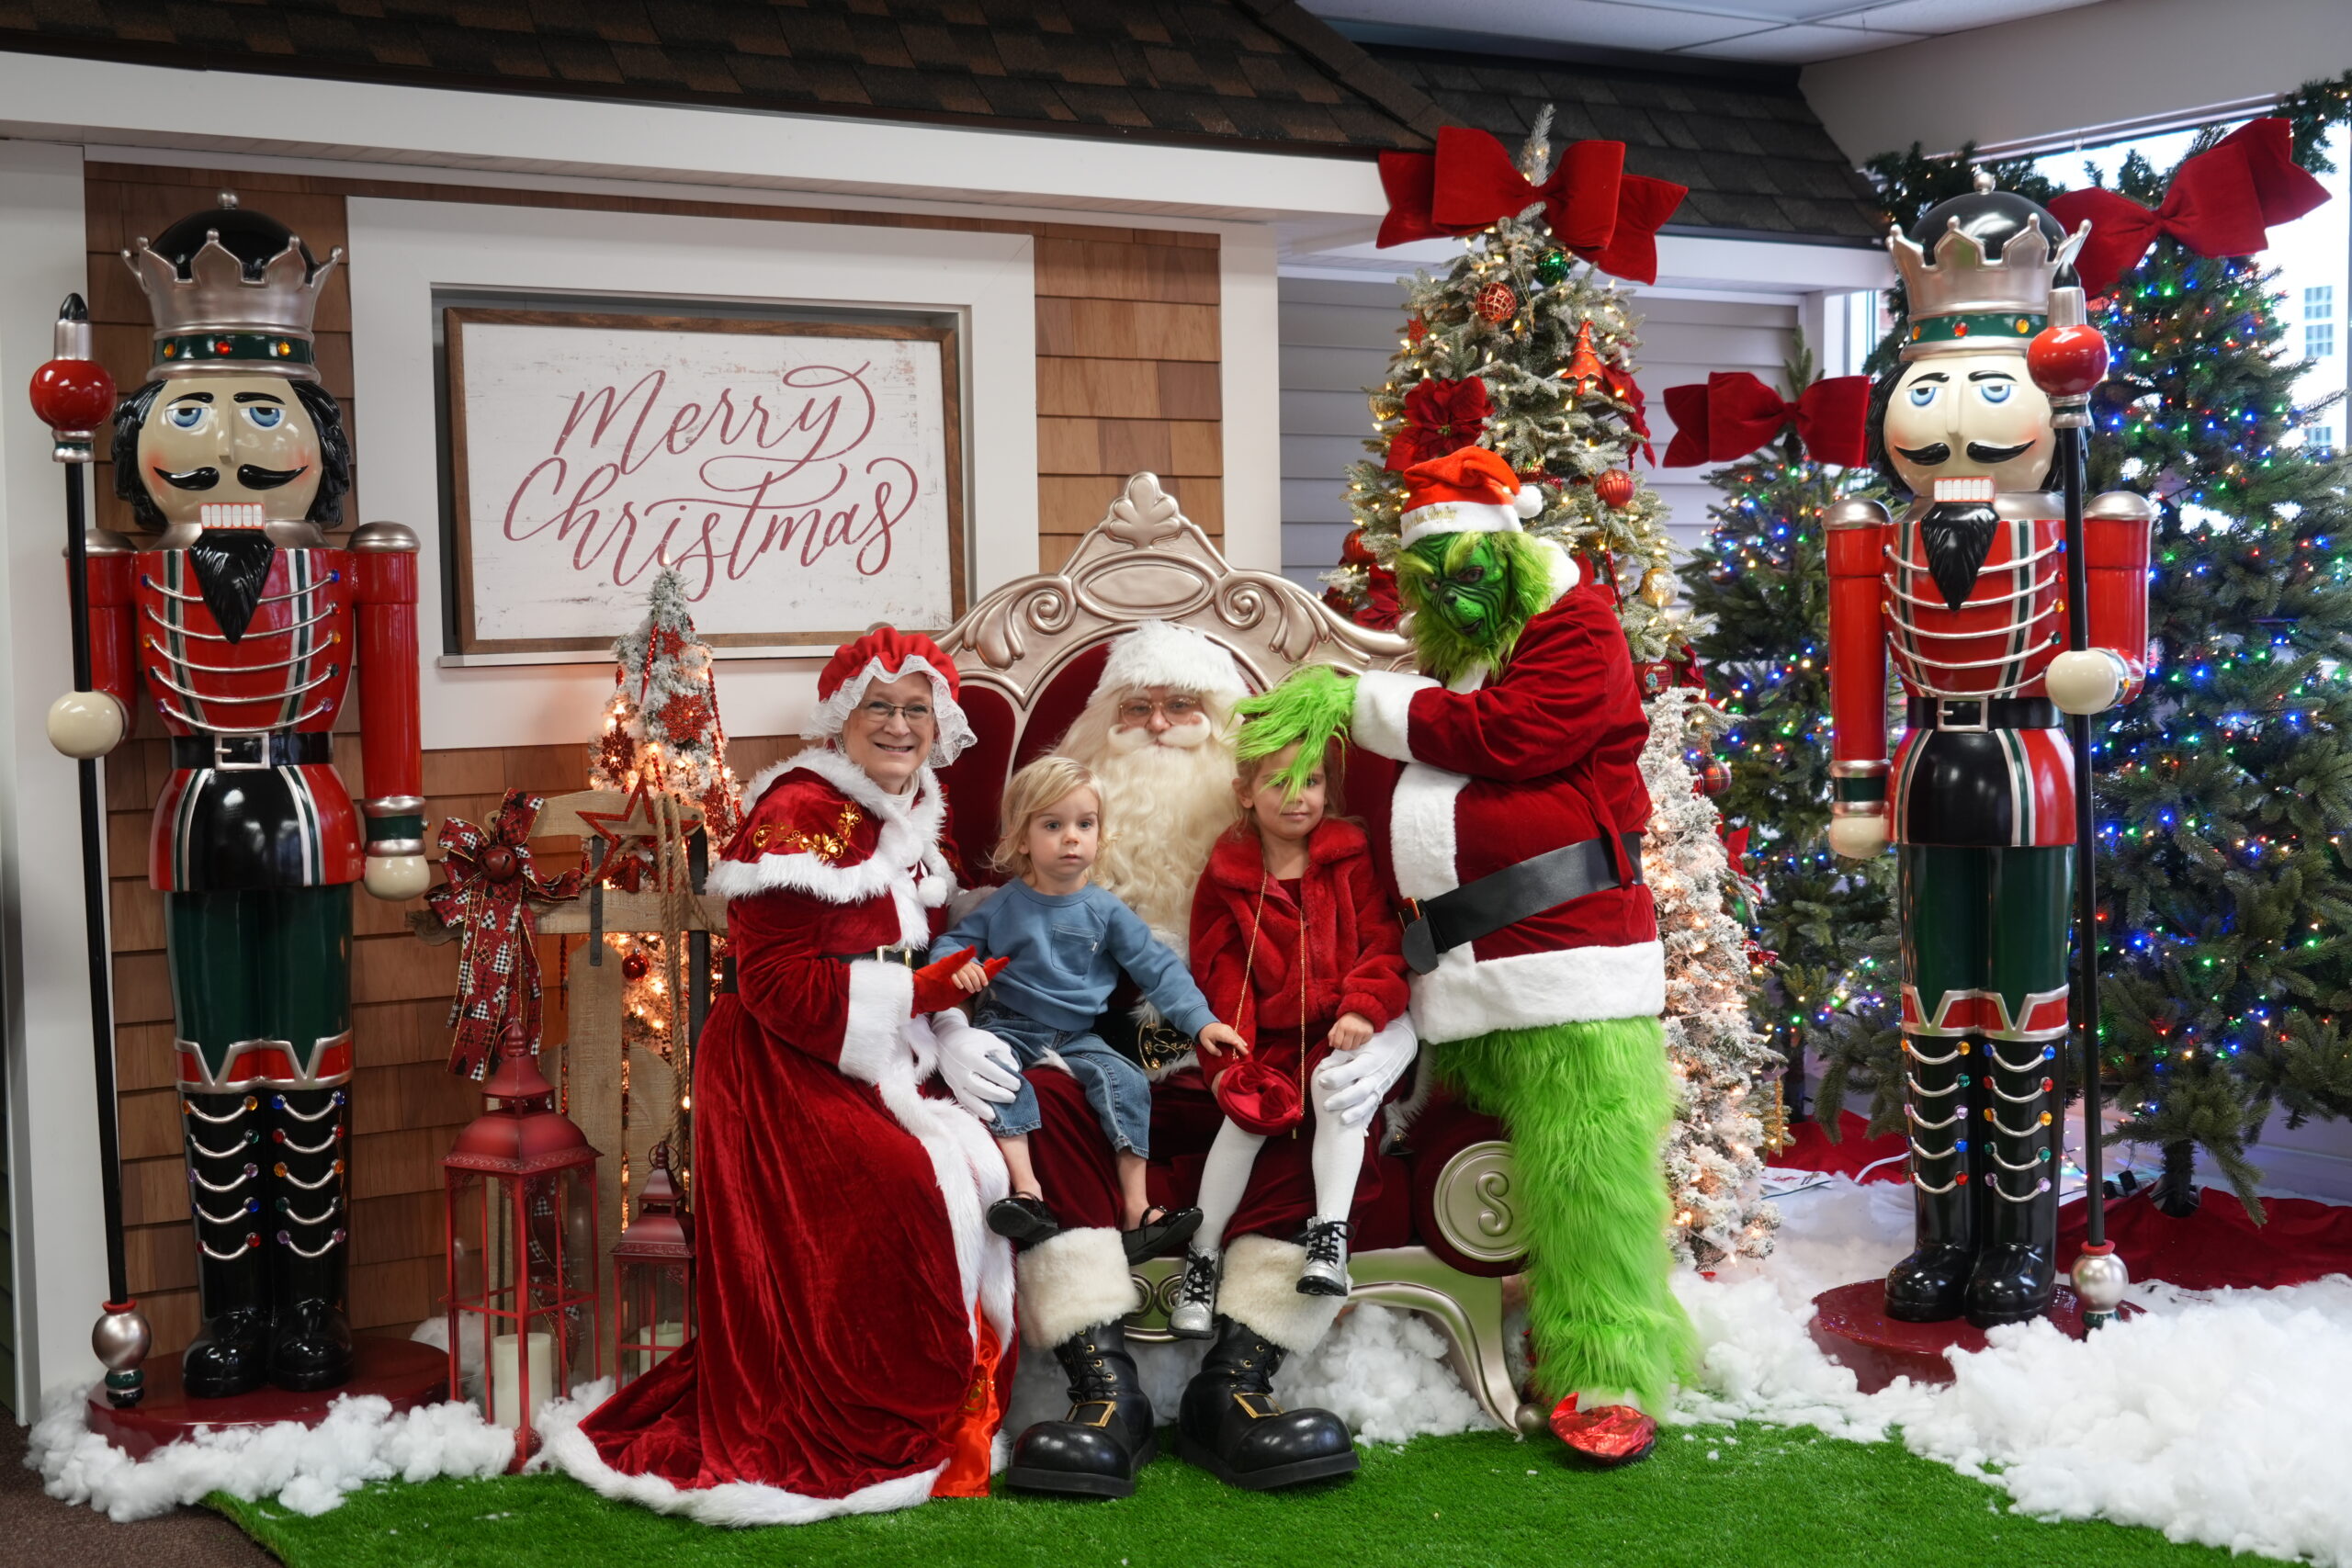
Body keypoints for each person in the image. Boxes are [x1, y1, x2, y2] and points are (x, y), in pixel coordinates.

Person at [1238, 446, 1694, 1467]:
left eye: (1472, 568)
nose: (1454, 591)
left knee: (1590, 1181)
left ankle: (1609, 1368)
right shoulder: (1453, 660)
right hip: (1453, 983)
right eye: (1431, 578)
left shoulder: (1576, 626)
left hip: (1570, 973)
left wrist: (1359, 702)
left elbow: (1515, 735)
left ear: (1516, 557)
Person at [49, 195, 423, 1398]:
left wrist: (399, 823)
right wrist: (98, 709)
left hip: (312, 812)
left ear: (316, 435)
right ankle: (232, 1311)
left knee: (312, 1060)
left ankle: (312, 1306)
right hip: (197, 816)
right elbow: (111, 692)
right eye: (190, 412)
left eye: (262, 411)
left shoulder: (362, 559)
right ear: (139, 436)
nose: (225, 442)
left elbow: (393, 699)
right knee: (214, 1067)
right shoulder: (125, 563)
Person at [933, 622, 1415, 1496]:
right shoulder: (1060, 860)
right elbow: (968, 953)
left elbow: (1376, 954)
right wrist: (952, 1028)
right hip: (1091, 1051)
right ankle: (1103, 1388)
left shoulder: (1273, 854)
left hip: (1240, 1055)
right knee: (1037, 1095)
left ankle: (1236, 1384)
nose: (1158, 725)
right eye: (1137, 708)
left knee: (1310, 1111)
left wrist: (1386, 1033)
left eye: (1182, 706)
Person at [550, 627, 1015, 1526]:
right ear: (842, 716)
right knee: (904, 1188)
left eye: (915, 709)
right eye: (879, 706)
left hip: (878, 1051)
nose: (899, 724)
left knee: (980, 1167)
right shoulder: (800, 810)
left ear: (939, 725)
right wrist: (917, 997)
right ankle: (870, 1407)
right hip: (781, 1063)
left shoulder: (915, 808)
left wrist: (948, 1025)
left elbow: (921, 945)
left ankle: (963, 1392)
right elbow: (771, 983)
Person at [933, 755, 1243, 1264]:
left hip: (1078, 1035)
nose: (1071, 838)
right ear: (1022, 838)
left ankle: (1137, 1211)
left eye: (1085, 824)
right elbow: (952, 943)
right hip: (1009, 1025)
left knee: (1128, 1082)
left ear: (1101, 835)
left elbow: (1158, 969)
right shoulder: (1003, 904)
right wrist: (957, 967)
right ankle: (1027, 1193)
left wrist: (1201, 1021)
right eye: (1052, 825)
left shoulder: (1105, 910)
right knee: (999, 1076)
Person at [1172, 736, 1414, 1347]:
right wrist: (1233, 1060)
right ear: (1245, 793)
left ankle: (1328, 1237)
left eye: (1311, 781)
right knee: (1244, 1121)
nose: (1297, 796)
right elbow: (1222, 971)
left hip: (1342, 1030)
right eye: (1279, 782)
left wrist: (1362, 1007)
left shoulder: (1349, 856)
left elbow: (1382, 941)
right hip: (1270, 1041)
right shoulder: (1228, 876)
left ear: (1328, 790)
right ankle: (1202, 1259)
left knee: (1337, 1093)